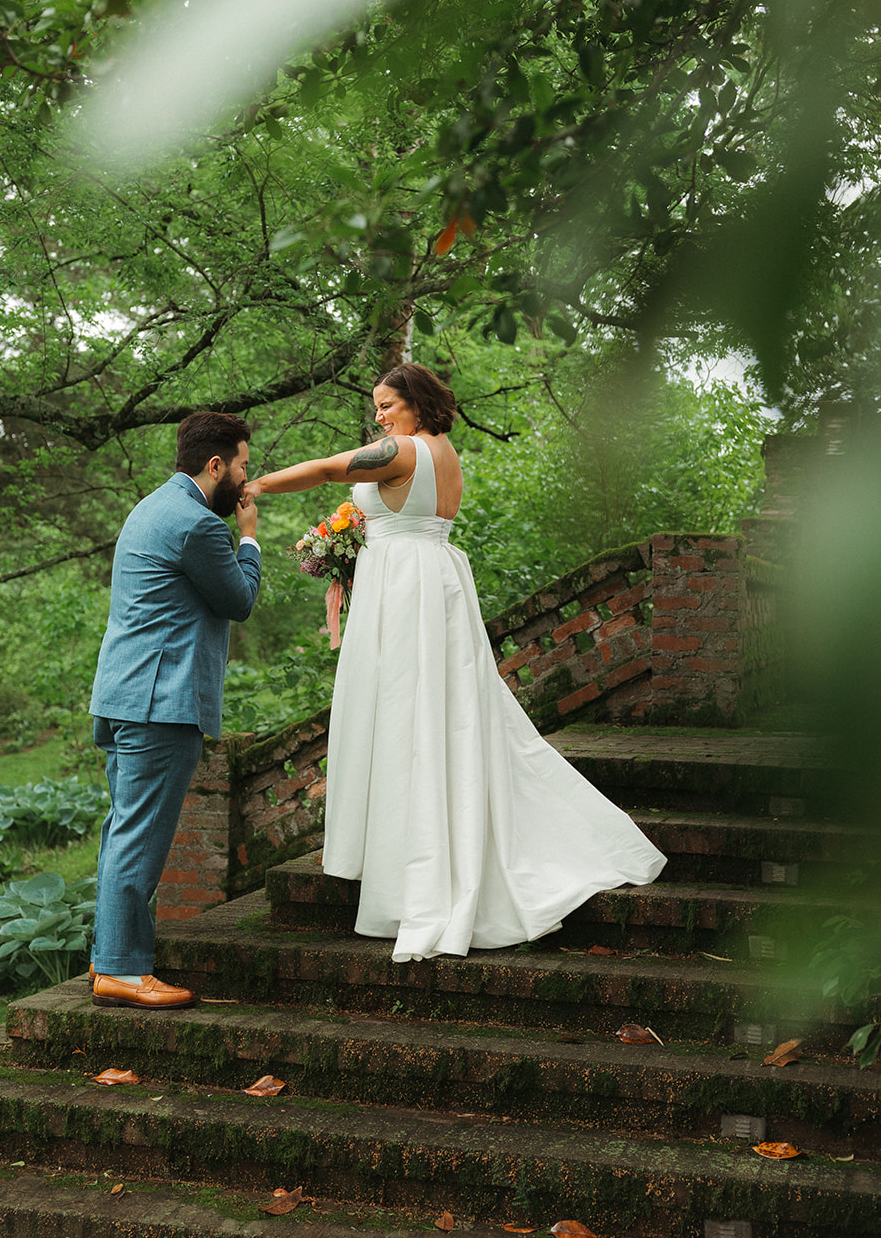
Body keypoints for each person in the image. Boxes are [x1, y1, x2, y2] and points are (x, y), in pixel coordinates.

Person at [244, 363, 665, 963]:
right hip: (433, 576)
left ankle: (418, 871)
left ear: (415, 403)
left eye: (387, 403)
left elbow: (326, 470)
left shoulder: (401, 449)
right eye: (377, 406)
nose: (380, 415)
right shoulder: (445, 452)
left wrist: (256, 486)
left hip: (403, 588)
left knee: (409, 717)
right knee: (442, 715)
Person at [88, 410, 261, 1007]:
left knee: (121, 832)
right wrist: (250, 538)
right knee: (138, 837)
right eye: (242, 464)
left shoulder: (149, 506)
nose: (245, 478)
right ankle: (122, 971)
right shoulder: (198, 527)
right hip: (161, 704)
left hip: (121, 695)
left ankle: (111, 957)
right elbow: (239, 600)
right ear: (216, 466)